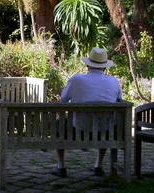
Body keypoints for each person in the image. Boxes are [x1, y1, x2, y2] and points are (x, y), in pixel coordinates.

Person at [52, 47, 122, 178]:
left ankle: (61, 166)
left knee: (59, 123)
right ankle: (99, 165)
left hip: (76, 131)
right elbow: (119, 100)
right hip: (105, 133)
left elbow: (63, 99)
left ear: (87, 65)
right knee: (106, 123)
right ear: (105, 67)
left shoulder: (76, 80)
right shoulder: (114, 82)